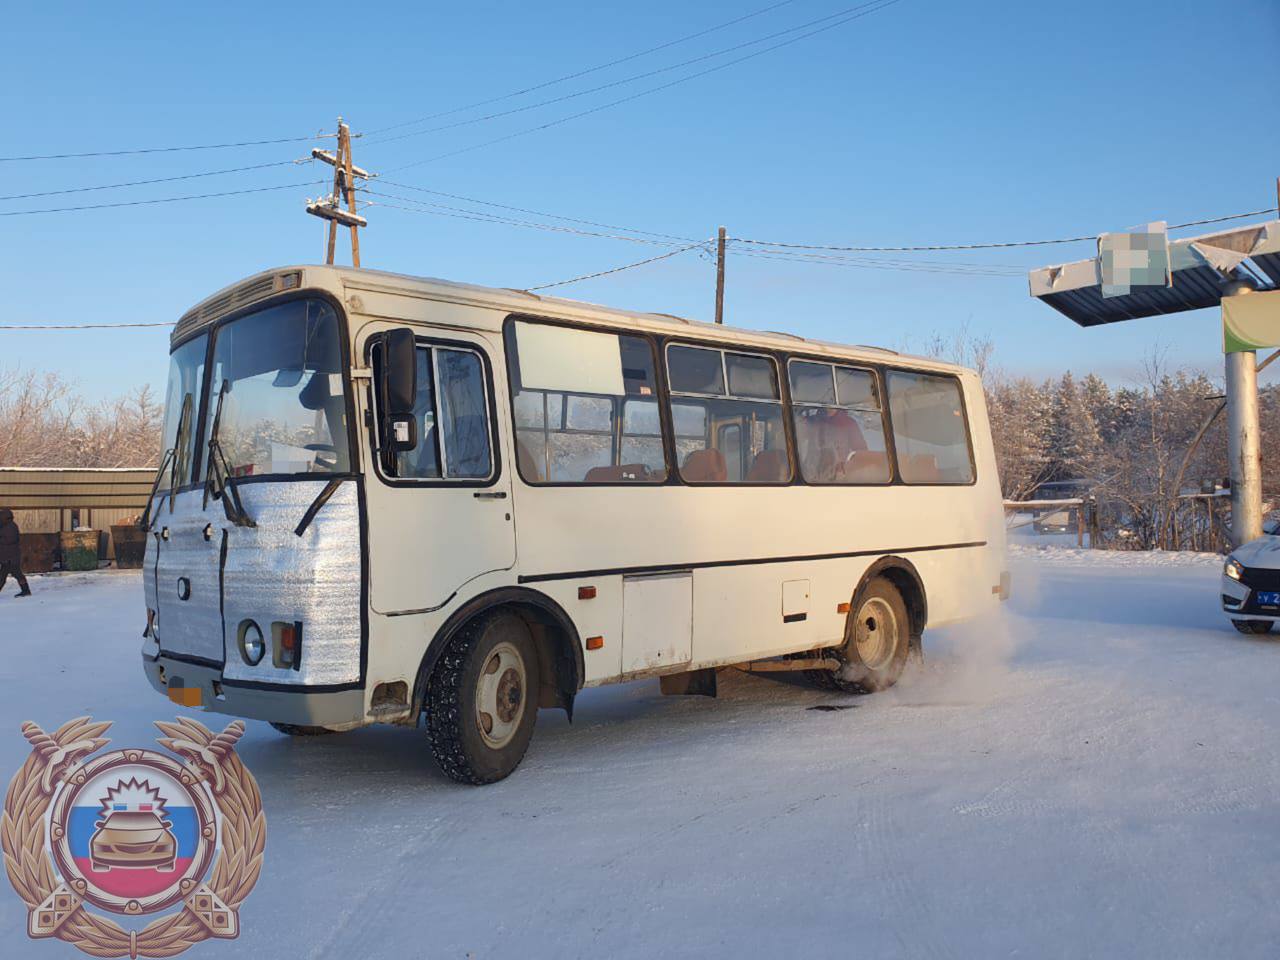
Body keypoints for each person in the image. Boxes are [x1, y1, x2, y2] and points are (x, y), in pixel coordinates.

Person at [0, 509, 32, 597]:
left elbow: (10, 540)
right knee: (3, 575)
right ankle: (26, 590)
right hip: (7, 556)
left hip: (11, 557)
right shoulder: (4, 526)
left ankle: (26, 590)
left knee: (16, 574)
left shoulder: (11, 527)